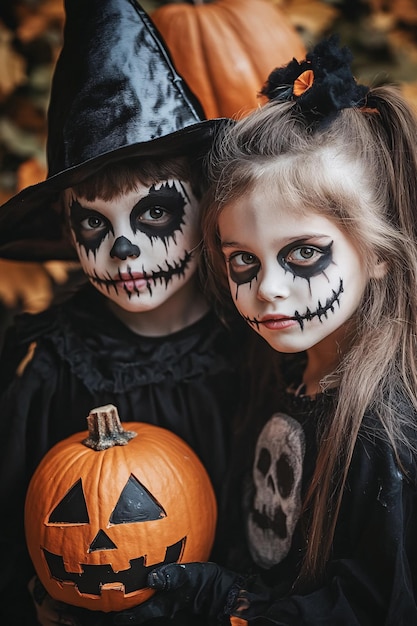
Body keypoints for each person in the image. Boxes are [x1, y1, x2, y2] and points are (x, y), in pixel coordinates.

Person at [113, 36, 417, 625]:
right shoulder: (273, 369)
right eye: (243, 261)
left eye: (303, 253)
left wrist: (234, 605)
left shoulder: (387, 432)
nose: (268, 287)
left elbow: (377, 605)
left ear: (379, 253)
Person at [0, 0, 247, 624]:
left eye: (154, 214)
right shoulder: (47, 365)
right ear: (68, 227)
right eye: (93, 222)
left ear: (204, 206)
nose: (124, 250)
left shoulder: (257, 342)